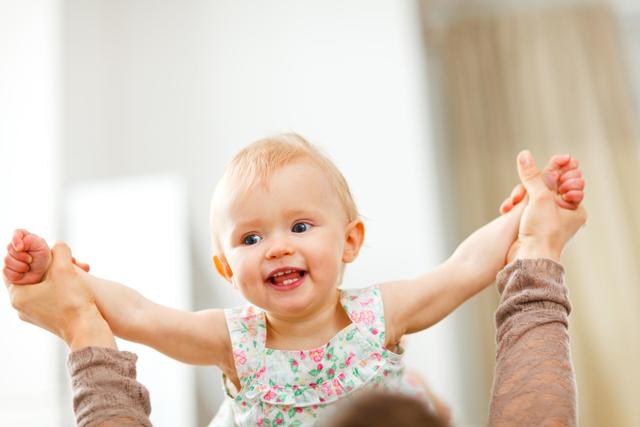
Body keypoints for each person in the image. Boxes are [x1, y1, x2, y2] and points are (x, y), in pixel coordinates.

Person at [3, 134, 584, 425]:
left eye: (300, 225)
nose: (277, 246)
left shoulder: (378, 313)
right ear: (228, 270)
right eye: (250, 239)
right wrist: (67, 280)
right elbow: (145, 316)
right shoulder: (236, 339)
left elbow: (461, 271)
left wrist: (519, 218)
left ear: (350, 241)